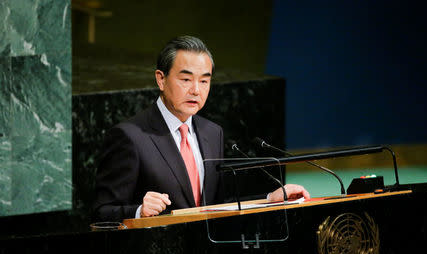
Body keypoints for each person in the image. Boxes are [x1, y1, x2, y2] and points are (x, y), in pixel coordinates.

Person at [94, 36, 310, 222]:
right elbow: (101, 212)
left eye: (204, 81)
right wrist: (139, 211)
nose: (196, 90)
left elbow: (214, 206)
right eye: (186, 79)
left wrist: (268, 200)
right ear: (161, 79)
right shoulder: (130, 136)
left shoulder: (212, 132)